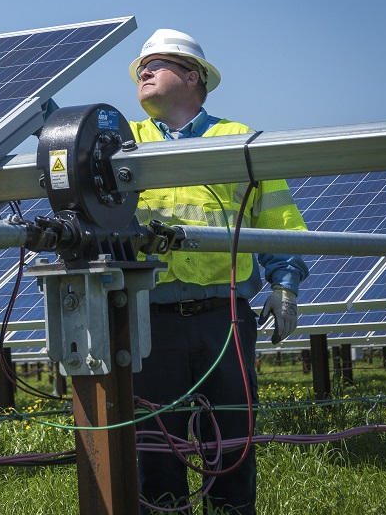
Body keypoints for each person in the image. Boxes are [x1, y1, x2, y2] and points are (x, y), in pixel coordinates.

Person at [127, 29, 310, 513]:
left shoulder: (240, 141)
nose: (142, 72)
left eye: (157, 64)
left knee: (230, 442)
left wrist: (285, 287)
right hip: (150, 320)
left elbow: (278, 224)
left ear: (193, 76)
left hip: (224, 317)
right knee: (157, 445)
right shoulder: (122, 142)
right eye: (140, 67)